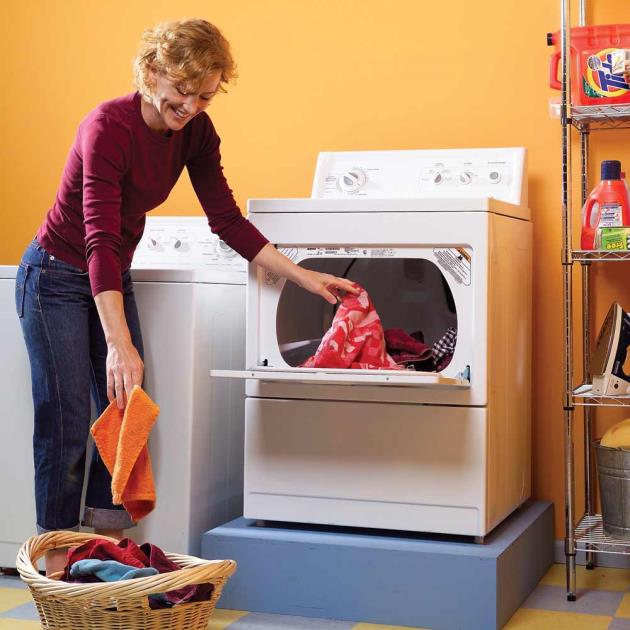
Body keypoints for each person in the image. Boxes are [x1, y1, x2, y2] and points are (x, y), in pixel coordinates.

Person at [15, 18, 357, 576]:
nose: (192, 106)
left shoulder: (197, 133)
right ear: (151, 71)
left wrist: (304, 277)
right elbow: (99, 238)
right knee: (67, 418)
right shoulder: (107, 127)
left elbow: (226, 219)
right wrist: (119, 342)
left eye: (205, 96)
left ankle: (108, 559)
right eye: (183, 90)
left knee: (125, 409)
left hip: (112, 273)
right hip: (55, 275)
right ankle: (53, 566)